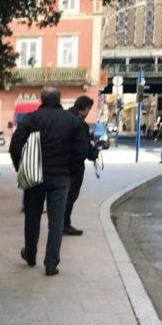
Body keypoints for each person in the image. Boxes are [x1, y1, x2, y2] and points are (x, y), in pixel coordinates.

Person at [9, 84, 91, 276]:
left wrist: (21, 167)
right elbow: (82, 150)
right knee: (56, 220)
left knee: (32, 217)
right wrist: (71, 169)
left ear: (42, 99)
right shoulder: (73, 121)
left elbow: (15, 145)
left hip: (34, 174)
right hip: (61, 176)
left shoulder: (31, 119)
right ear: (59, 100)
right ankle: (51, 262)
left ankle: (30, 254)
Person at [63, 95, 96, 236]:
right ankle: (64, 224)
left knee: (60, 196)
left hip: (59, 163)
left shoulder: (64, 117)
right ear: (85, 108)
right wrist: (91, 145)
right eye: (89, 109)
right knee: (70, 196)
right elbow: (82, 149)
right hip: (74, 167)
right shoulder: (80, 124)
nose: (88, 112)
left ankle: (59, 224)